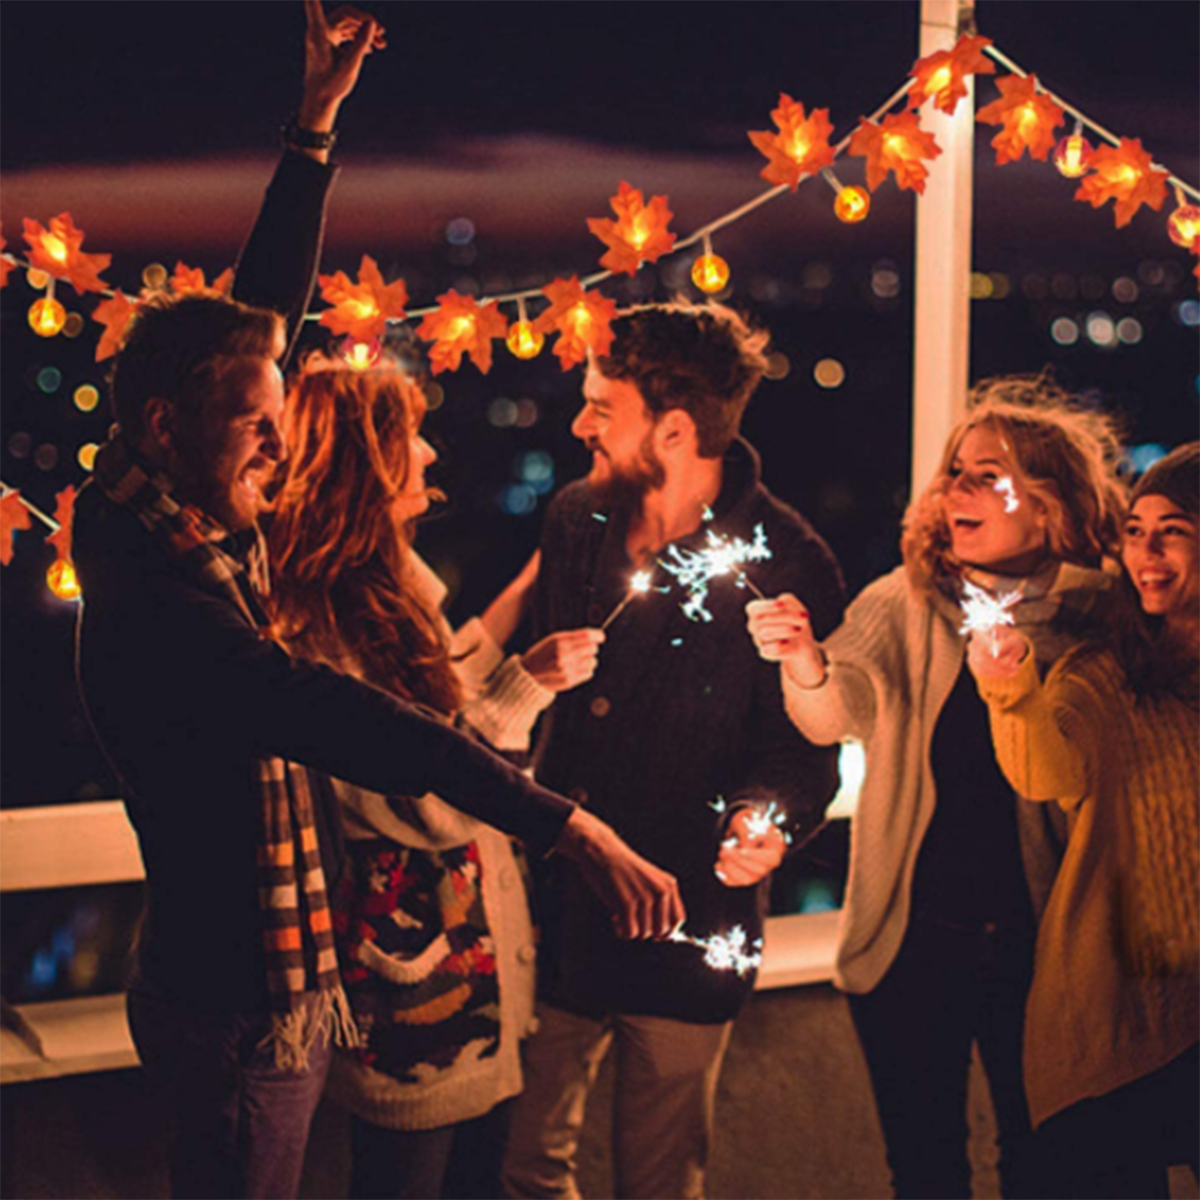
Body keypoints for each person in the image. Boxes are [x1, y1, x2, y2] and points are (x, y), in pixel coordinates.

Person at [70, 24, 682, 1199]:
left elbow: (260, 326)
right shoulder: (166, 600)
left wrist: (313, 129)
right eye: (255, 424)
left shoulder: (165, 518)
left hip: (268, 993)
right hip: (237, 1010)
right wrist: (574, 827)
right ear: (164, 426)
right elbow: (360, 723)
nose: (279, 441)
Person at [746, 376, 1126, 1199]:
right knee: (924, 1171)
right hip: (915, 946)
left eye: (986, 474)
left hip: (1047, 953)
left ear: (1050, 501)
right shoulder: (908, 602)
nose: (956, 489)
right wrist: (805, 662)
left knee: (1048, 1166)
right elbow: (831, 714)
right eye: (954, 471)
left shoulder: (1106, 618)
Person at [501, 301, 846, 1200]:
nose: (578, 425)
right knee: (523, 1165)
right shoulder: (575, 522)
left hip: (691, 929)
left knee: (659, 1184)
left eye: (599, 408)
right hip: (560, 922)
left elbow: (807, 749)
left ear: (676, 428)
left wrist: (767, 824)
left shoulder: (789, 562)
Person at [268, 358, 598, 1200]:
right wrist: (527, 686)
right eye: (408, 435)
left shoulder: (393, 580)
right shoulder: (318, 618)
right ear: (366, 460)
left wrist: (535, 586)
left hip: (468, 975)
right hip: (417, 983)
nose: (428, 454)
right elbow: (425, 796)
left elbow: (441, 691)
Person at [968, 442, 1200, 1198]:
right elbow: (1046, 769)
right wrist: (1011, 690)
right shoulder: (1105, 672)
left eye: (1173, 531)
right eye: (1135, 531)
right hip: (1119, 1018)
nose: (1146, 553)